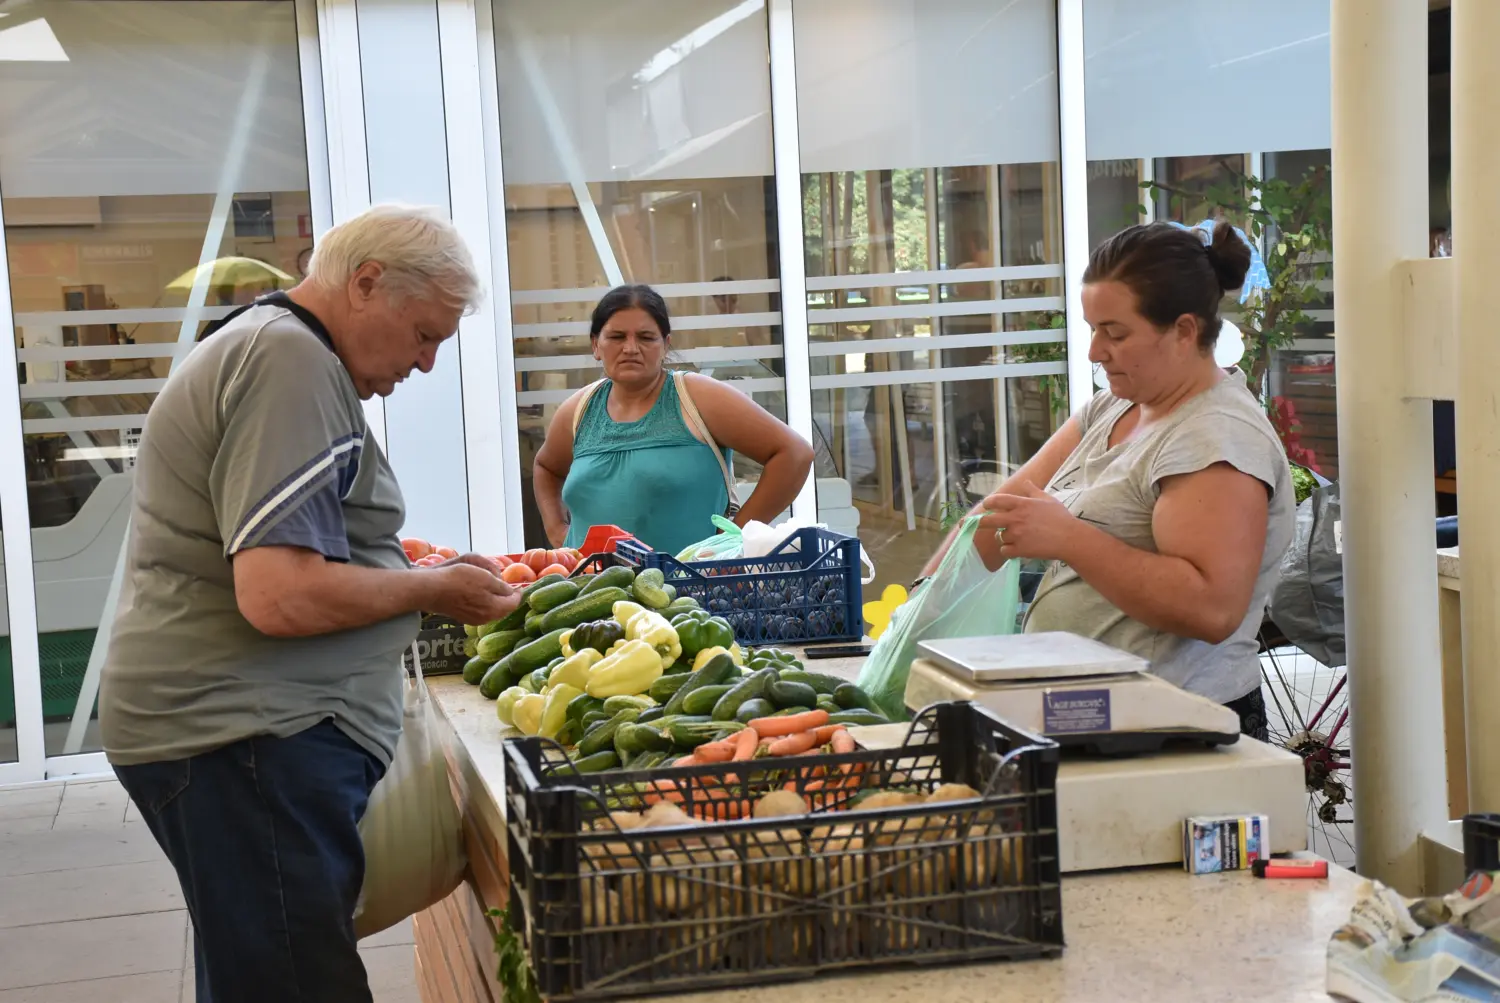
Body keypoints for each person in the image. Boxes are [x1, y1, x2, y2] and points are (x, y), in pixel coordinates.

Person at [100, 203, 521, 1003]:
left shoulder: (279, 348)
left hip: (240, 734)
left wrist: (399, 559)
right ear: (366, 284)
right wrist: (432, 587)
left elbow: (291, 544)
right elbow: (279, 593)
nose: (426, 364)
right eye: (425, 334)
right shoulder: (288, 361)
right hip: (242, 736)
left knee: (265, 970)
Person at [917, 220, 1294, 739]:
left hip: (1173, 730)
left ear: (1184, 331)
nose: (1096, 351)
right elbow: (999, 513)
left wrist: (1070, 539)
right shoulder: (1115, 405)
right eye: (1093, 329)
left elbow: (1212, 608)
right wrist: (919, 607)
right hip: (1087, 716)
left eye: (1115, 333)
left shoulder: (1216, 439)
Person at [534, 284, 813, 555]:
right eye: (617, 337)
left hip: (690, 592)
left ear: (665, 345)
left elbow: (795, 454)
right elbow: (546, 467)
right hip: (592, 594)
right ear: (596, 345)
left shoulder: (696, 397)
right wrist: (557, 530)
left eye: (646, 337)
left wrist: (733, 539)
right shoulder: (579, 410)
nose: (631, 348)